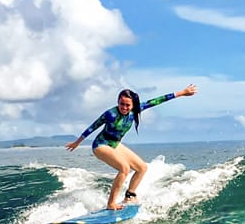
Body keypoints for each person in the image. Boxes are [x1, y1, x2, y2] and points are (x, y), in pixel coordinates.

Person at [66, 84, 198, 210]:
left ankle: (129, 195)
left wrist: (182, 93)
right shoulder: (110, 114)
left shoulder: (136, 109)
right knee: (124, 168)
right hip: (101, 145)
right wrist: (78, 142)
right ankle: (111, 203)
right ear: (118, 102)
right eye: (121, 104)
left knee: (142, 168)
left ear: (133, 105)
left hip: (115, 145)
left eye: (127, 105)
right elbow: (93, 126)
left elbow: (157, 100)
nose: (124, 107)